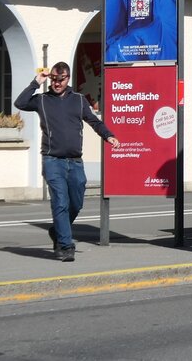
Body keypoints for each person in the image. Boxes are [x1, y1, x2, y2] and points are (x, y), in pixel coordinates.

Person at [15, 62, 119, 262]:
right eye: (53, 79)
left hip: (75, 162)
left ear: (68, 79)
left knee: (76, 203)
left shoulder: (79, 100)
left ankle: (57, 231)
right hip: (52, 160)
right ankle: (65, 245)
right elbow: (20, 103)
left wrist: (108, 136)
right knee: (60, 202)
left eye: (60, 80)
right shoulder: (42, 100)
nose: (56, 83)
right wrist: (37, 82)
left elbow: (94, 122)